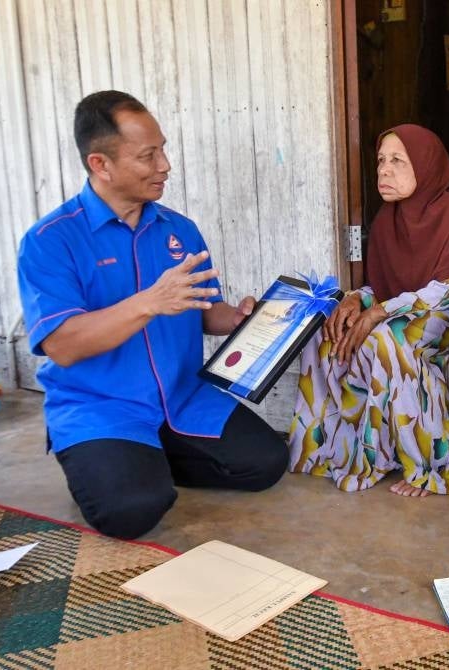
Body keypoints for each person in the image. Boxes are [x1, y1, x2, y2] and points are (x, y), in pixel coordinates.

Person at [16, 91, 288, 540]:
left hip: (182, 396)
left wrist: (239, 320)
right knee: (131, 512)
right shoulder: (50, 240)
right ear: (100, 164)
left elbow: (204, 310)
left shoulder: (178, 229)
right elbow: (62, 345)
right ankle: (113, 465)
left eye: (162, 150)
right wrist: (149, 301)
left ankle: (145, 462)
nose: (165, 165)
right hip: (102, 407)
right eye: (148, 156)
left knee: (266, 464)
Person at [287, 124, 449, 497]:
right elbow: (385, 288)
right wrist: (356, 299)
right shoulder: (386, 220)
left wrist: (379, 311)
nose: (384, 170)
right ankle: (333, 450)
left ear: (425, 165)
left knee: (391, 338)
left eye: (398, 160)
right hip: (402, 310)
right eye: (381, 160)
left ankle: (432, 466)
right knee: (326, 329)